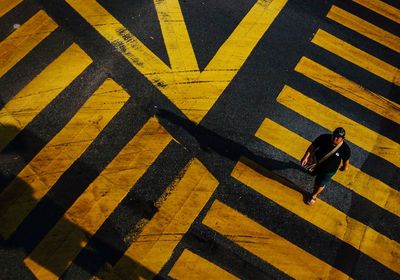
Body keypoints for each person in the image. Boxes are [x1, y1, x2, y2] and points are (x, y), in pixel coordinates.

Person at [300, 127, 351, 205]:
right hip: (316, 163)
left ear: (343, 138)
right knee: (312, 173)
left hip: (328, 170)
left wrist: (344, 168)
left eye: (338, 137)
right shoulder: (324, 138)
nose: (335, 138)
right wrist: (305, 157)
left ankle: (314, 195)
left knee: (320, 183)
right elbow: (312, 147)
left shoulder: (345, 149)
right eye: (334, 135)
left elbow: (346, 162)